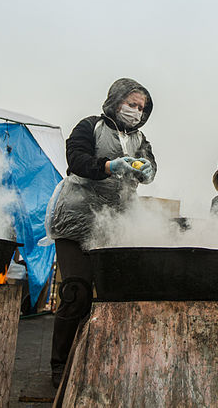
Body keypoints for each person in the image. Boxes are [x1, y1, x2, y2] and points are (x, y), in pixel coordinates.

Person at [47, 78, 156, 387]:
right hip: (75, 221)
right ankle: (60, 365)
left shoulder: (140, 139)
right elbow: (76, 160)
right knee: (77, 291)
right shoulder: (90, 126)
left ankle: (98, 360)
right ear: (116, 100)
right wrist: (108, 166)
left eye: (141, 108)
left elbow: (151, 165)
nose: (135, 111)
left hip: (114, 223)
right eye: (131, 104)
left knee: (112, 293)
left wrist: (147, 169)